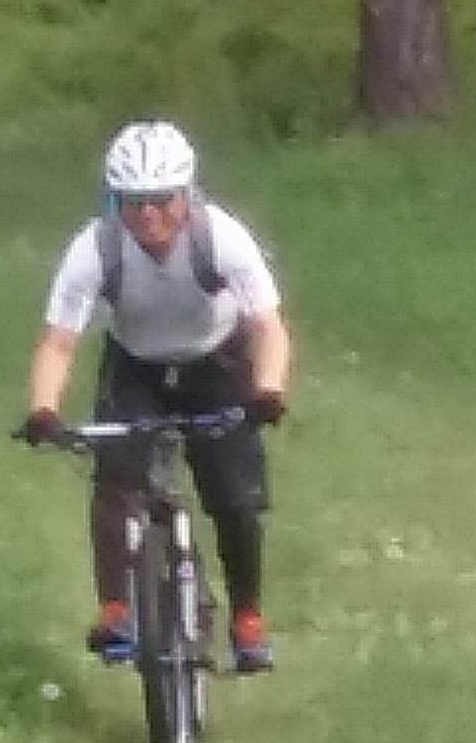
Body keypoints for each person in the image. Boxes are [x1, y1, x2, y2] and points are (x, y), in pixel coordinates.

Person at [19, 120, 292, 674]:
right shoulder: (95, 248)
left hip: (216, 362)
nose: (148, 216)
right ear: (116, 201)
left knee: (235, 498)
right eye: (134, 202)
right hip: (136, 367)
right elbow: (59, 339)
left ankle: (247, 620)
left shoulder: (220, 238)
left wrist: (268, 389)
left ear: (185, 194)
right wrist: (43, 410)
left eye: (161, 201)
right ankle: (118, 608)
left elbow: (268, 325)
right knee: (116, 479)